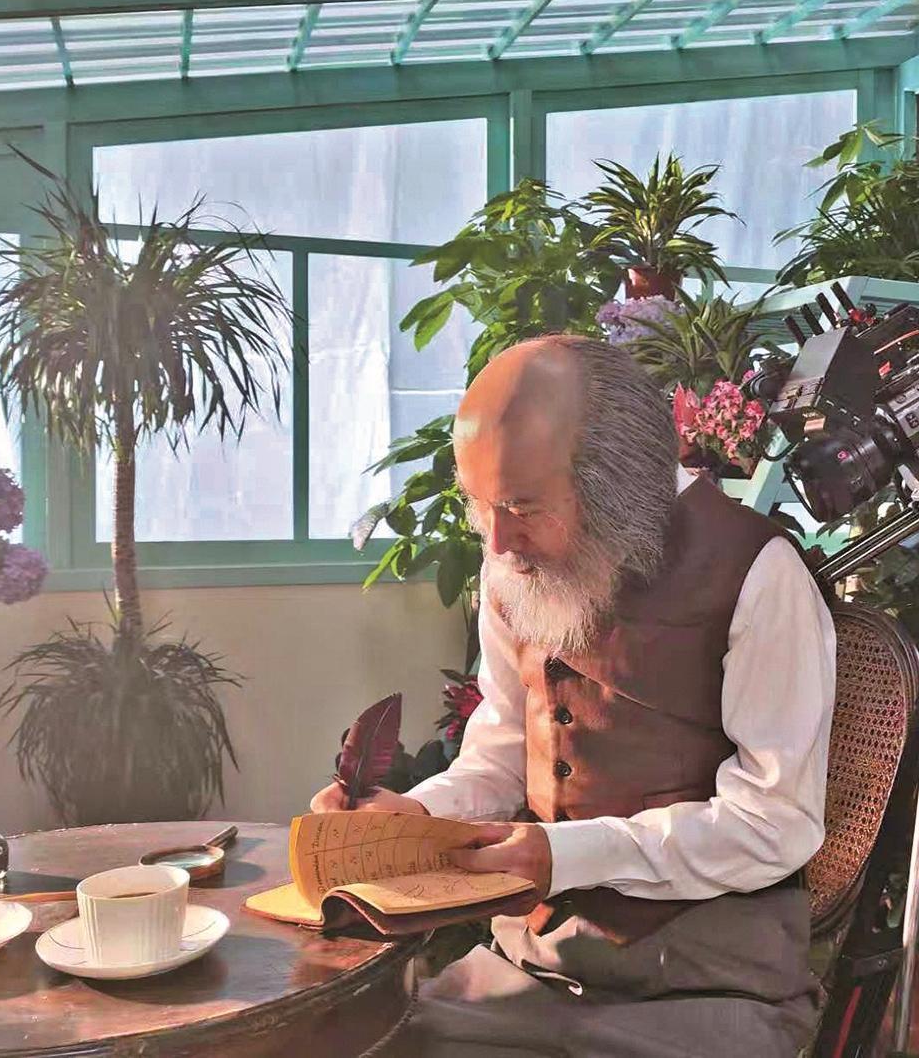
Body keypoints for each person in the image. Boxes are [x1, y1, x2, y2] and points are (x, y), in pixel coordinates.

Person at [310, 335, 837, 1057]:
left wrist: (568, 855)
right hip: (524, 971)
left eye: (521, 506)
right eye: (481, 505)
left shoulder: (759, 571)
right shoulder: (509, 562)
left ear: (616, 485)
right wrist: (417, 817)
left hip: (706, 991)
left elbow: (775, 822)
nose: (498, 541)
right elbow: (503, 747)